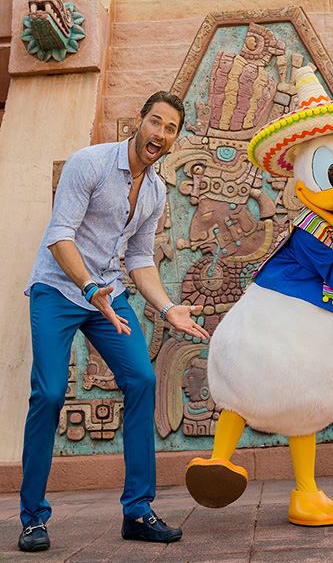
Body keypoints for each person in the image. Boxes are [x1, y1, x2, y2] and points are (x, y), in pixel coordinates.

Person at [18, 91, 209, 553]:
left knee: (142, 380)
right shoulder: (90, 164)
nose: (161, 134)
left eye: (170, 129)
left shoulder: (157, 191)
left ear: (175, 139)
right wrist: (88, 288)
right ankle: (32, 519)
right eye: (155, 122)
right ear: (138, 123)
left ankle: (138, 511)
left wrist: (167, 308)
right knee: (47, 392)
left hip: (110, 293)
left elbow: (141, 258)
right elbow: (59, 236)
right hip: (61, 288)